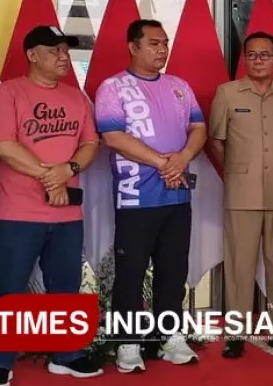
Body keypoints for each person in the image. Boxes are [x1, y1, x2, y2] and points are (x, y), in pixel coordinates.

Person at [0, 26, 102, 385]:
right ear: (32, 55)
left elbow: (90, 143)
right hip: (18, 213)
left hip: (67, 214)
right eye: (54, 51)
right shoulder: (8, 93)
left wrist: (70, 169)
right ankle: (0, 363)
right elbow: (2, 144)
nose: (63, 57)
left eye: (66, 50)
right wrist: (51, 178)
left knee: (65, 285)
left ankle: (67, 355)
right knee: (10, 287)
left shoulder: (77, 98)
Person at [94, 20, 207, 373]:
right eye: (154, 43)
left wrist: (183, 158)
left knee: (173, 271)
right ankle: (128, 343)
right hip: (136, 198)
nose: (162, 49)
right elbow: (112, 137)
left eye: (165, 43)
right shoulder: (113, 88)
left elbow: (199, 128)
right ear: (133, 46)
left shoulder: (179, 87)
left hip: (177, 198)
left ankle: (169, 338)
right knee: (131, 272)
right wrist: (164, 163)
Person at [209, 31, 273, 359]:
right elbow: (216, 141)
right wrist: (240, 171)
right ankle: (235, 331)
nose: (258, 60)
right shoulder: (227, 93)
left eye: (265, 55)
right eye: (252, 55)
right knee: (239, 264)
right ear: (245, 60)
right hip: (241, 191)